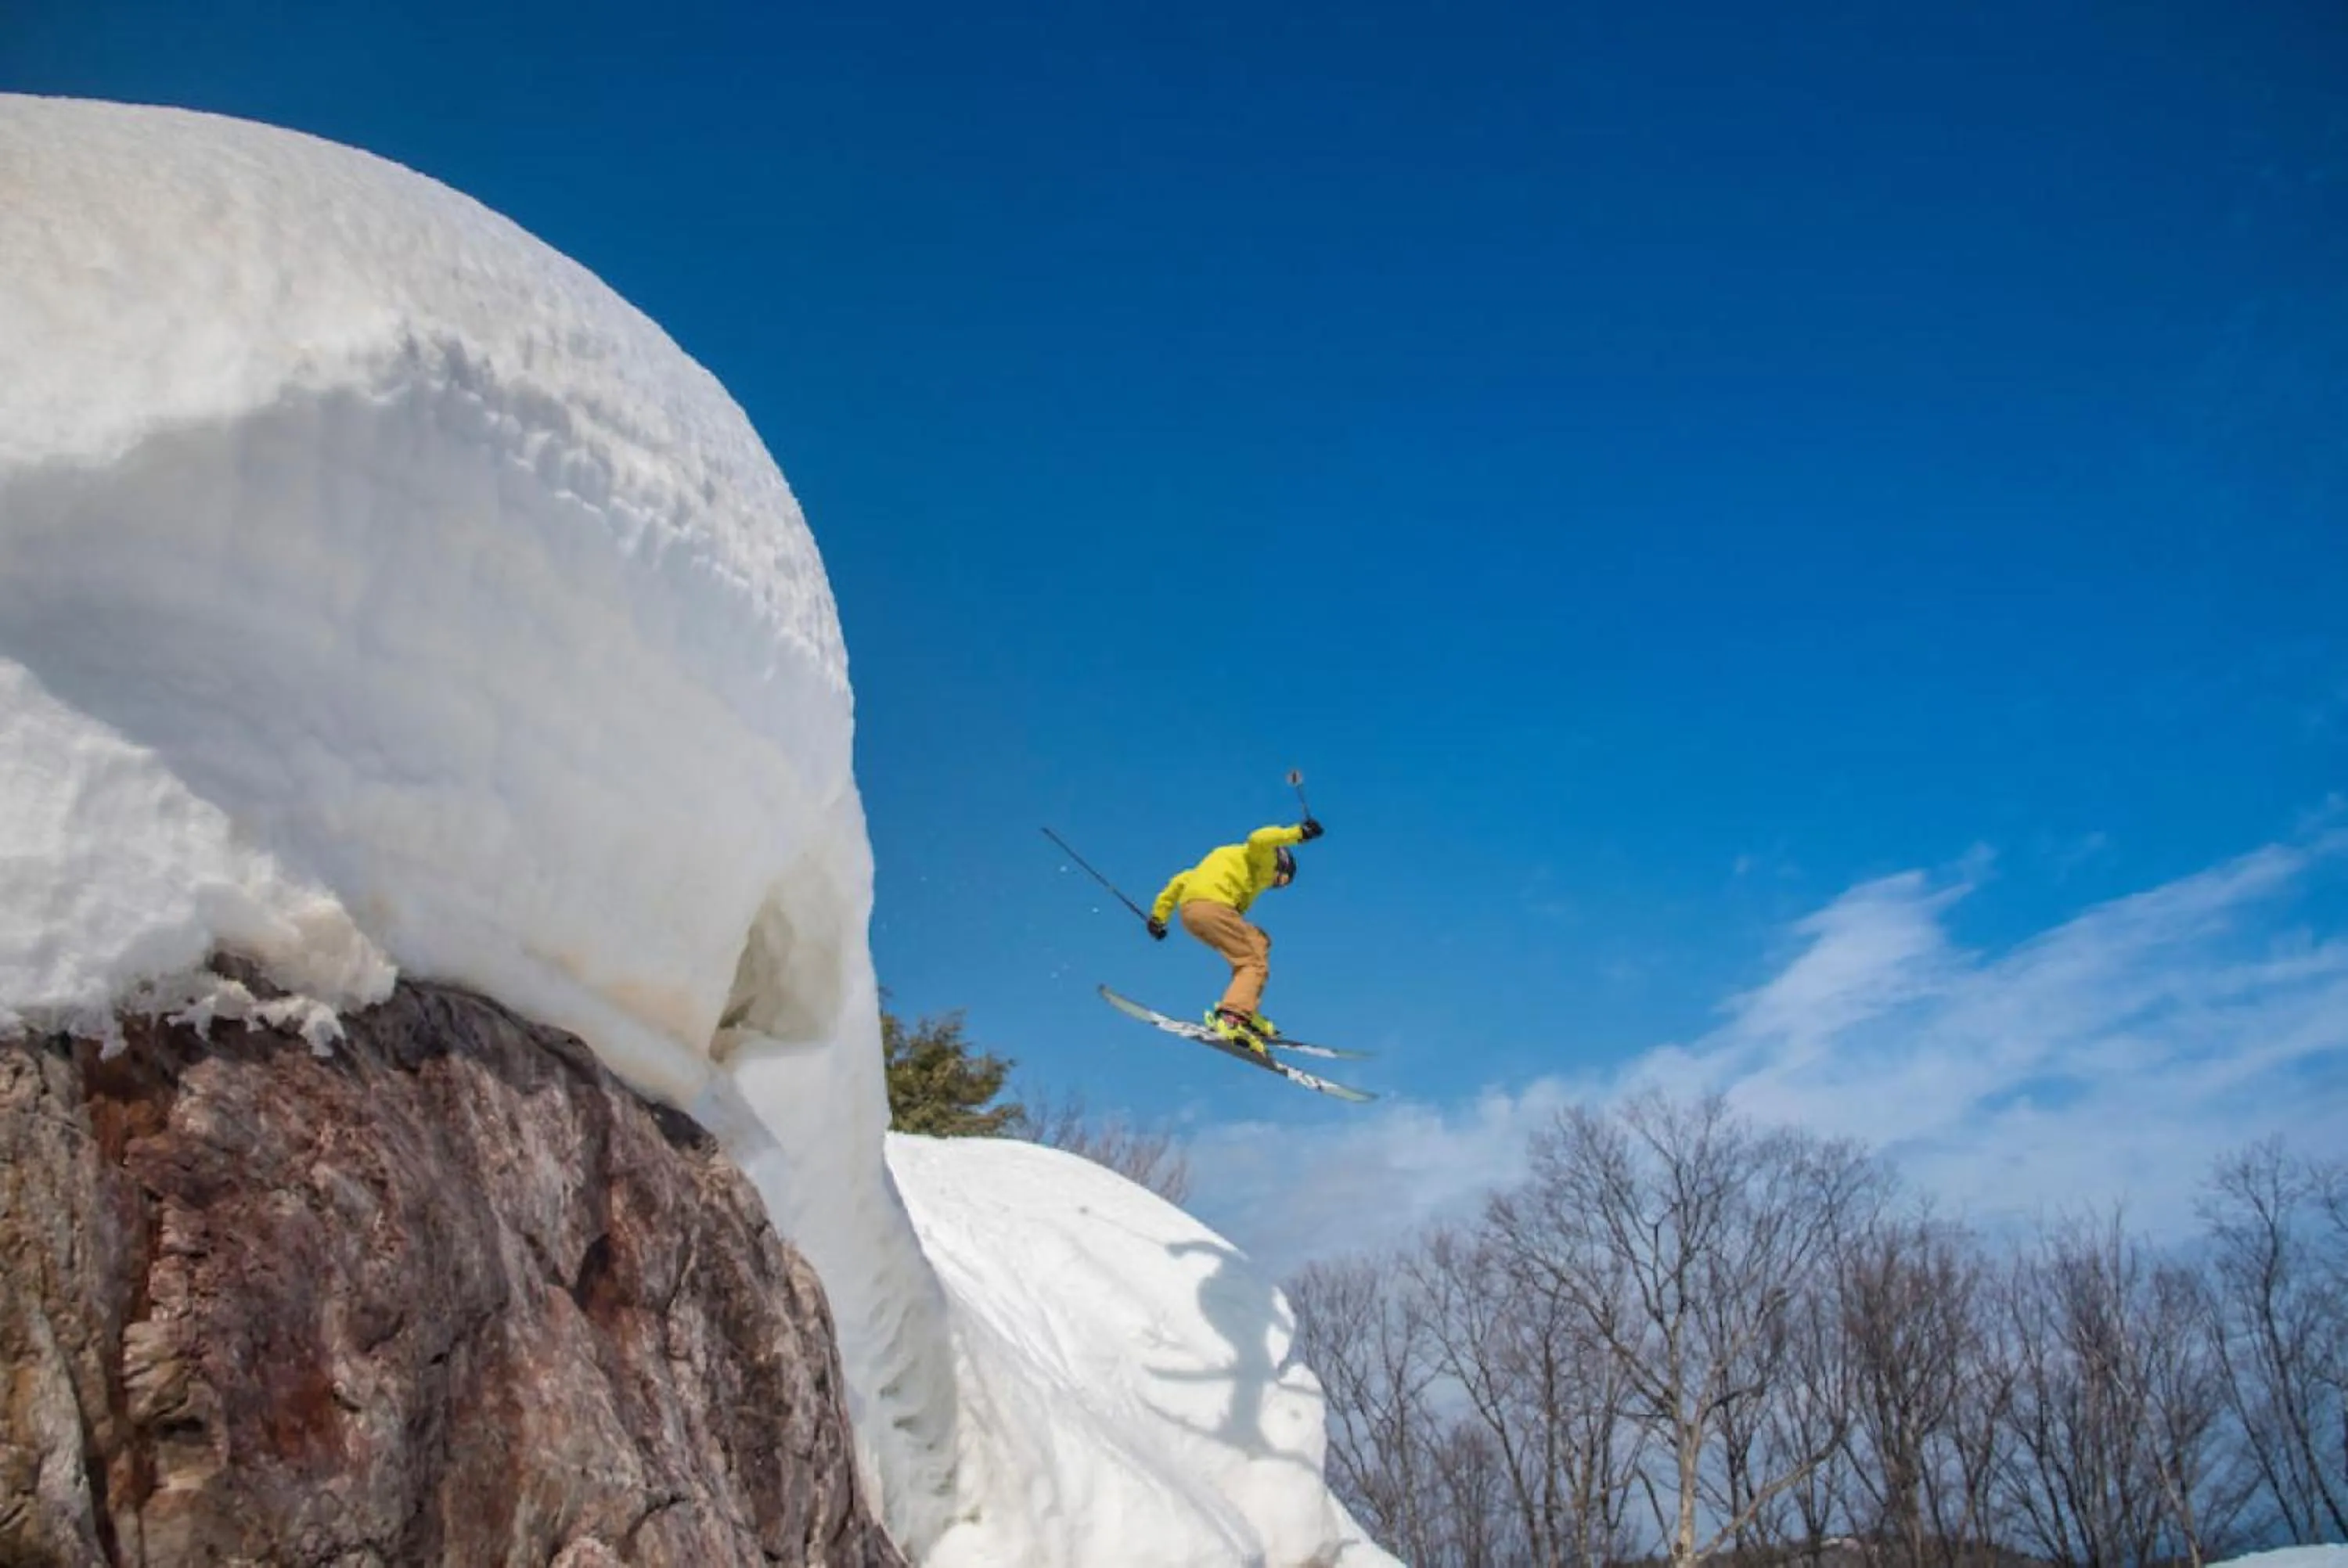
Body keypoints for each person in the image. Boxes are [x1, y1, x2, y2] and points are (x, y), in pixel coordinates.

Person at [1145, 817, 1325, 1052]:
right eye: (1281, 880)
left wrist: (1158, 918)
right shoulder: (1263, 860)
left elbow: (1179, 882)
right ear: (1281, 863)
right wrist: (1299, 834)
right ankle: (1232, 1016)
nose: (1275, 885)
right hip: (1215, 908)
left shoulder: (1222, 859)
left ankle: (1245, 1006)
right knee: (1253, 963)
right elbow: (1259, 839)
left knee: (1258, 941)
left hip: (1191, 913)